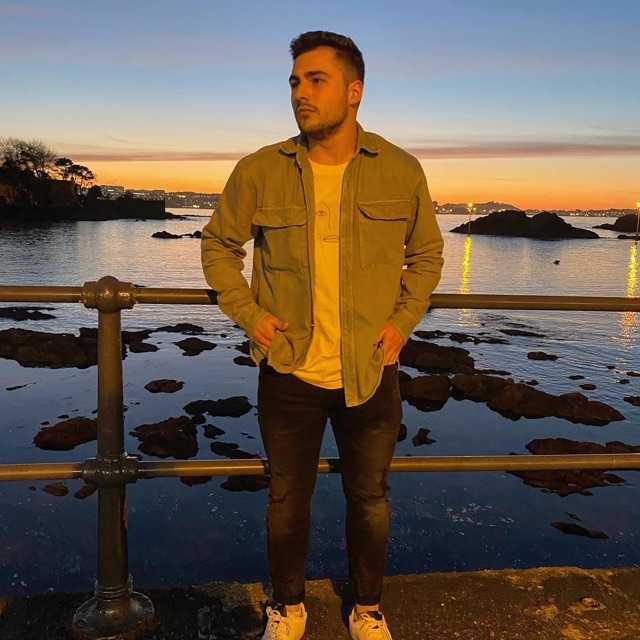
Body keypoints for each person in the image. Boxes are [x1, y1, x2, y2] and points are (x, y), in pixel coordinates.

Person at [201, 30, 444, 640]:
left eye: (316, 80)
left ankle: (367, 608)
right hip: (289, 367)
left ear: (354, 91)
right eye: (294, 82)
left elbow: (427, 255)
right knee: (287, 499)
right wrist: (250, 315)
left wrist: (401, 323)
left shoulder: (400, 170)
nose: (299, 94)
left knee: (371, 499)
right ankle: (288, 608)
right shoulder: (261, 170)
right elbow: (218, 245)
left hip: (371, 368)